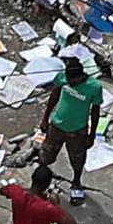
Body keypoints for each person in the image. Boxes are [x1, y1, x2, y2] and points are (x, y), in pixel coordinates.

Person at [40, 56, 103, 206]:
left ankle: (76, 182)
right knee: (47, 155)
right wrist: (45, 118)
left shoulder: (94, 87)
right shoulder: (63, 77)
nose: (70, 83)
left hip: (78, 130)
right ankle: (41, 182)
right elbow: (54, 95)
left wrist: (91, 135)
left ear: (80, 76)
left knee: (77, 159)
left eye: (73, 81)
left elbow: (95, 112)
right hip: (56, 125)